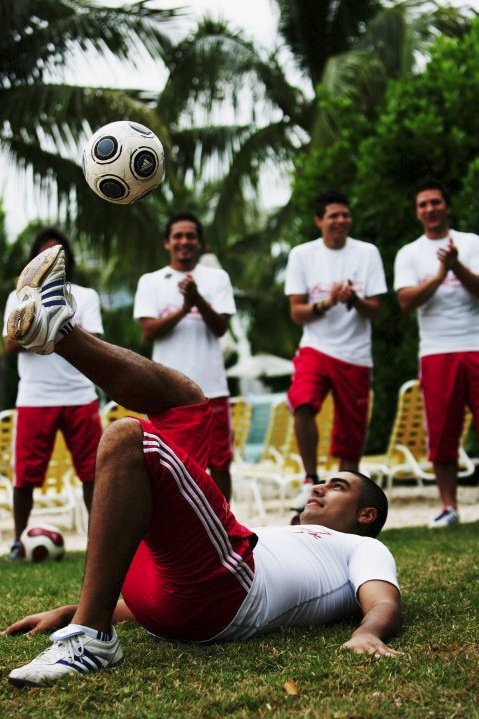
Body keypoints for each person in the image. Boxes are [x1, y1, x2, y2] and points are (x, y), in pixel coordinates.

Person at [4, 246, 401, 688]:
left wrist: (368, 633)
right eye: (324, 481)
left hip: (230, 596)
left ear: (366, 515)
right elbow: (169, 588)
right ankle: (60, 333)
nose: (319, 488)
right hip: (174, 589)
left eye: (338, 486)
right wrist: (72, 610)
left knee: (126, 437)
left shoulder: (361, 547)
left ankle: (91, 639)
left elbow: (383, 601)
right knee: (188, 403)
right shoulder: (288, 534)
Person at [2, 228, 104, 560]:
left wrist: (50, 326)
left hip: (80, 395)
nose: (52, 260)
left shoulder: (85, 296)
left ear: (67, 260)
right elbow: (10, 344)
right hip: (35, 397)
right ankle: (18, 542)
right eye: (45, 254)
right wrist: (47, 324)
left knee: (93, 474)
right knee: (25, 477)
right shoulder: (19, 297)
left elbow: (96, 342)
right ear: (35, 260)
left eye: (58, 254)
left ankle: (100, 543)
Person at [285, 190, 387, 516]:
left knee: (350, 438)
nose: (341, 220)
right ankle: (310, 478)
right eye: (333, 216)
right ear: (319, 221)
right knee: (302, 403)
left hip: (355, 355)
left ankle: (345, 501)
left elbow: (377, 311)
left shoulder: (367, 253)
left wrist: (354, 300)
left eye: (345, 215)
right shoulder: (303, 255)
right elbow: (297, 312)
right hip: (316, 348)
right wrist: (328, 302)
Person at [394, 178, 479, 528]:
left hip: (475, 344)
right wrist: (442, 272)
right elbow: (406, 300)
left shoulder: (472, 243)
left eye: (435, 202)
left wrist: (458, 266)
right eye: (423, 205)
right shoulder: (410, 253)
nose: (430, 209)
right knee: (442, 431)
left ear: (447, 206)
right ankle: (449, 506)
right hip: (436, 351)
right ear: (417, 212)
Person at [133, 212, 235, 499]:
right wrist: (184, 309)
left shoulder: (217, 278)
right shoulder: (151, 281)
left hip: (212, 388)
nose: (184, 241)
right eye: (177, 236)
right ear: (167, 242)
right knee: (170, 464)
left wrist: (197, 299)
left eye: (190, 236)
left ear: (199, 243)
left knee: (220, 463)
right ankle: (178, 522)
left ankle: (223, 520)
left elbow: (221, 328)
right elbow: (148, 331)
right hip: (167, 393)